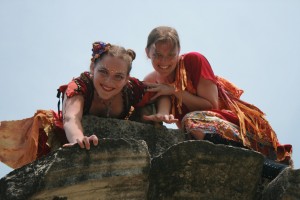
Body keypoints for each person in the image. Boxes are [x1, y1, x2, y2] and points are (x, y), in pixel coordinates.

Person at [0, 41, 176, 169]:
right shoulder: (80, 85)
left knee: (147, 108)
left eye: (118, 77)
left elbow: (162, 93)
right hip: (64, 133)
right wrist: (79, 139)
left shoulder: (131, 89)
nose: (109, 82)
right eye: (103, 72)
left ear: (127, 79)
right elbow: (71, 117)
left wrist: (163, 112)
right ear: (92, 67)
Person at [142, 26, 292, 169]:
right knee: (190, 126)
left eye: (171, 55)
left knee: (192, 121)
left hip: (229, 122)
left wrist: (174, 90)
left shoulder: (193, 60)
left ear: (179, 51)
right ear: (148, 52)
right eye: (158, 55)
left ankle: (268, 166)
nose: (164, 62)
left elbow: (211, 105)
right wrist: (162, 115)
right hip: (198, 133)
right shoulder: (151, 80)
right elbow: (157, 102)